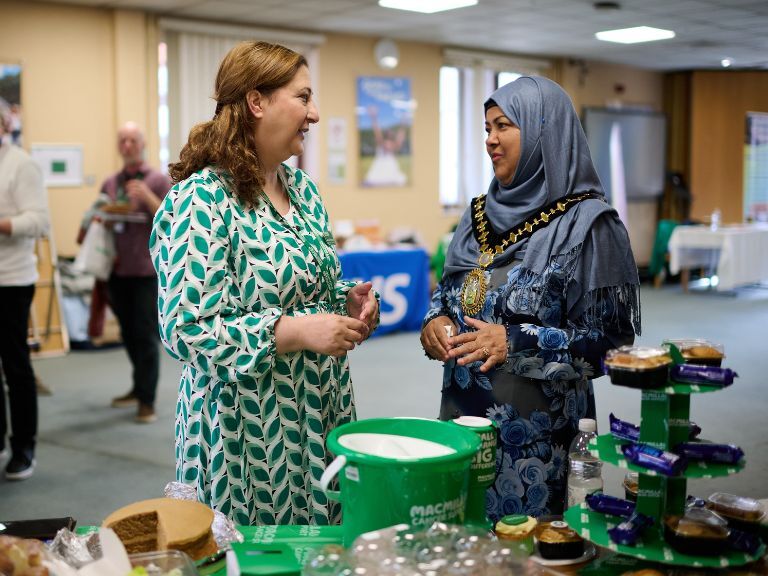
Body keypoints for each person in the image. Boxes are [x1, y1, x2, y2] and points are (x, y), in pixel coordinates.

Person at [150, 41, 379, 526]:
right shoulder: (202, 200)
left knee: (320, 547)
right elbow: (186, 329)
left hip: (319, 413)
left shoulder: (303, 190)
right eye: (302, 97)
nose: (314, 113)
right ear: (257, 102)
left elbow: (302, 292)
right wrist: (293, 332)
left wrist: (345, 301)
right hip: (245, 432)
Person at [420, 76, 640, 519]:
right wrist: (435, 322)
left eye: (503, 126)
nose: (491, 140)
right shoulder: (478, 213)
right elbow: (448, 295)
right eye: (486, 128)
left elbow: (612, 345)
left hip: (537, 447)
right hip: (463, 426)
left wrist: (518, 342)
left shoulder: (590, 225)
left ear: (544, 131)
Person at [84, 122, 171, 423]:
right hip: (116, 269)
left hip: (146, 270)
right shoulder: (110, 183)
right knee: (127, 334)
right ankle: (137, 387)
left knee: (146, 335)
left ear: (142, 144)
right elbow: (100, 215)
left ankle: (147, 401)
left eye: (133, 140)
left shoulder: (158, 180)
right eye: (123, 140)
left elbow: (172, 219)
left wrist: (146, 196)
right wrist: (104, 218)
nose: (128, 145)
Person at [0, 100, 50, 480]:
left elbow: (38, 221)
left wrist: (2, 224)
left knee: (16, 367)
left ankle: (24, 448)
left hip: (12, 281)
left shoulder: (21, 164)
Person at [362, 106, 407, 186]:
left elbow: (400, 137)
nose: (390, 133)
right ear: (385, 135)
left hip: (391, 168)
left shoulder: (394, 144)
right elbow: (377, 131)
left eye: (391, 132)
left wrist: (403, 124)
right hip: (380, 168)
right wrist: (374, 117)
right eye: (388, 132)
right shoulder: (381, 142)